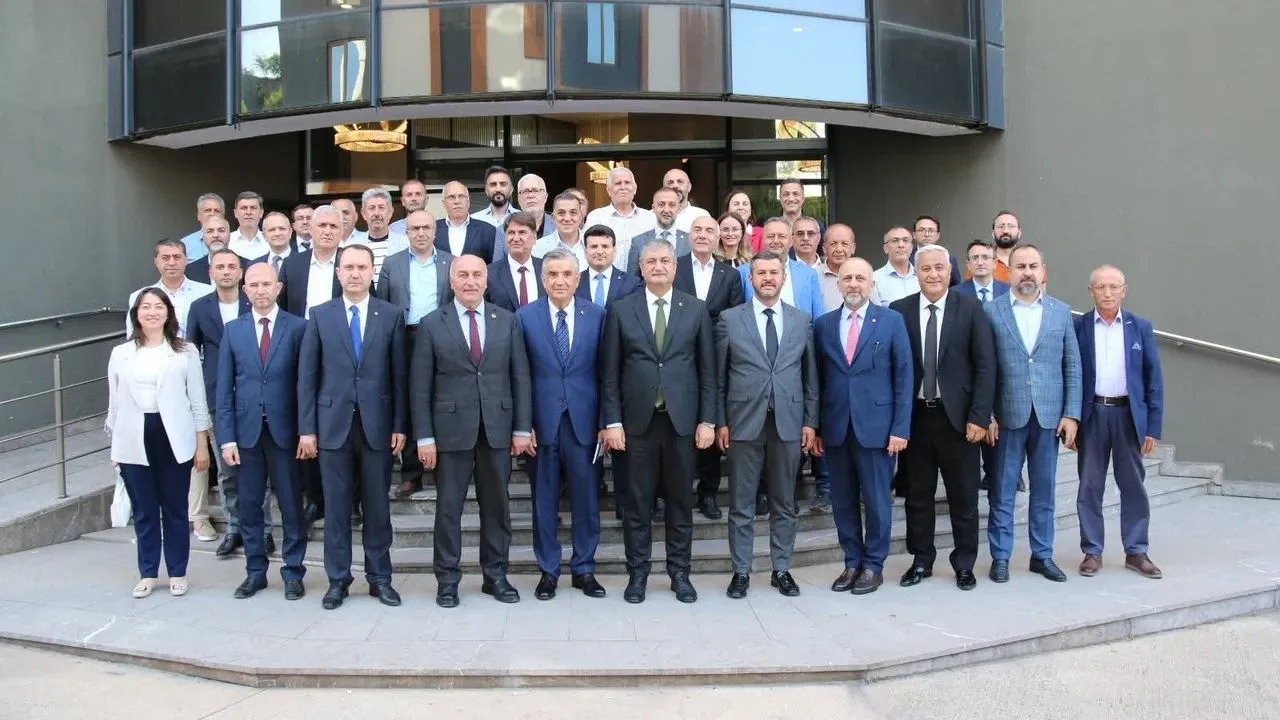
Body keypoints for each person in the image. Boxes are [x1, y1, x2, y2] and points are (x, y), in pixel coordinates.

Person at [412, 255, 533, 608]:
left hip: (496, 429)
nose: (470, 281)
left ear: (486, 280)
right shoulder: (432, 323)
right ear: (451, 281)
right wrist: (424, 437)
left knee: (497, 508)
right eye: (462, 275)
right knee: (448, 510)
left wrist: (522, 428)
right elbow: (419, 386)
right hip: (450, 433)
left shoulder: (506, 320)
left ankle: (495, 576)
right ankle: (447, 581)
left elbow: (520, 378)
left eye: (477, 274)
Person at [600, 241, 717, 605]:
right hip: (637, 425)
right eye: (651, 261)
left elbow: (708, 372)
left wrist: (708, 420)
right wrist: (612, 422)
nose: (658, 266)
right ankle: (638, 575)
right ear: (641, 267)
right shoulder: (621, 309)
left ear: (675, 267)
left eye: (665, 260)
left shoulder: (696, 309)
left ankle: (680, 574)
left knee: (680, 502)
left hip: (682, 424)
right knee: (637, 504)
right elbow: (609, 374)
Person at [298, 244, 408, 610]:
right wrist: (307, 428)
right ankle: (338, 580)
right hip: (332, 427)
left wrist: (399, 424)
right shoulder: (320, 315)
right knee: (337, 508)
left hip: (377, 426)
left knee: (377, 508)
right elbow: (308, 377)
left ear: (371, 273)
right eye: (349, 267)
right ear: (339, 273)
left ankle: (380, 578)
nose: (356, 273)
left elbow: (399, 376)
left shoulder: (390, 315)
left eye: (362, 267)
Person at [890, 245, 995, 591]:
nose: (933, 274)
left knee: (963, 497)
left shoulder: (970, 307)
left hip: (960, 422)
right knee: (917, 497)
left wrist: (980, 417)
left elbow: (985, 364)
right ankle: (921, 560)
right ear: (916, 273)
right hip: (916, 419)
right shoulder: (899, 311)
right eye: (926, 269)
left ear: (950, 272)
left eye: (939, 268)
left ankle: (964, 564)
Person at [716, 252, 818, 599]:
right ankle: (741, 571)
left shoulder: (801, 320)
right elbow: (718, 378)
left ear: (784, 277)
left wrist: (810, 421)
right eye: (761, 273)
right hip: (743, 423)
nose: (768, 278)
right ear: (751, 278)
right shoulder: (730, 319)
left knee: (784, 502)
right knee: (741, 503)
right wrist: (720, 421)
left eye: (774, 272)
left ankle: (781, 569)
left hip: (788, 423)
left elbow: (810, 377)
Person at [814, 258, 912, 596]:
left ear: (871, 284)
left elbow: (904, 377)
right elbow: (818, 380)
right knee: (842, 502)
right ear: (838, 284)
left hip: (878, 430)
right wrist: (816, 427)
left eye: (860, 278)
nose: (854, 284)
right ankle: (852, 562)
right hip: (836, 428)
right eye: (847, 278)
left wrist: (900, 428)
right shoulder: (824, 325)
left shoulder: (891, 321)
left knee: (876, 501)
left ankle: (874, 565)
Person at [985, 243, 1081, 584]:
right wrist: (987, 415)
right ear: (1008, 272)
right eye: (1020, 266)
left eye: (1033, 266)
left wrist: (1071, 414)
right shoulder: (991, 312)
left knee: (1044, 491)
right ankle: (1000, 556)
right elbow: (984, 367)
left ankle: (1042, 555)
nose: (1027, 272)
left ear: (1043, 272)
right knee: (1002, 491)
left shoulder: (1061, 312)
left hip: (1048, 418)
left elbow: (1072, 366)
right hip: (1006, 417)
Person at [106, 288, 211, 599]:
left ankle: (178, 572)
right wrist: (115, 447)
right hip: (132, 437)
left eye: (158, 306)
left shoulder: (185, 352)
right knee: (144, 511)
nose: (152, 312)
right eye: (146, 307)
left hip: (172, 436)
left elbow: (197, 401)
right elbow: (114, 404)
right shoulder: (121, 353)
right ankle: (148, 572)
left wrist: (201, 443)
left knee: (176, 508)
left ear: (168, 313)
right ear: (136, 314)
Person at [516, 248, 607, 601]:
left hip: (584, 423)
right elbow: (519, 375)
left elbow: (606, 373)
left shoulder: (597, 315)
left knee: (587, 500)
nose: (559, 280)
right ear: (542, 279)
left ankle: (584, 569)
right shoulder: (525, 317)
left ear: (577, 279)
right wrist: (523, 425)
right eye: (552, 274)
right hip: (542, 424)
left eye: (567, 274)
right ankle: (548, 571)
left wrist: (604, 422)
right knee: (544, 501)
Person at [215, 262, 310, 600]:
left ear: (278, 288)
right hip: (246, 435)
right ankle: (255, 572)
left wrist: (307, 431)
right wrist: (226, 438)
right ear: (245, 290)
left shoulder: (298, 328)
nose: (260, 290)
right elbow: (224, 390)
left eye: (266, 284)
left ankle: (293, 572)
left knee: (291, 506)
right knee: (250, 505)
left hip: (287, 433)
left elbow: (306, 385)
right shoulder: (233, 330)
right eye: (253, 285)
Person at [1073, 265, 1164, 579]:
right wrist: (1071, 420)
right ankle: (1092, 551)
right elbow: (1069, 375)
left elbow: (1153, 380)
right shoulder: (1079, 327)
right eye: (1101, 287)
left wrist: (1153, 426)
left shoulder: (1141, 327)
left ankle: (1136, 551)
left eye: (1113, 287)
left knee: (1133, 485)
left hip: (1129, 416)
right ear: (1091, 292)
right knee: (1089, 485)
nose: (1107, 293)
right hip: (1092, 415)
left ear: (1124, 291)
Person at [185, 249, 272, 557]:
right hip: (217, 397)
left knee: (259, 467)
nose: (225, 271)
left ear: (241, 273)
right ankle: (235, 528)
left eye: (231, 266)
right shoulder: (199, 307)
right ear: (210, 272)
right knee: (227, 470)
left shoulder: (256, 302)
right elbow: (191, 353)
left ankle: (264, 530)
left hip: (255, 397)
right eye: (219, 266)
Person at [375, 209, 455, 497]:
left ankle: (446, 469)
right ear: (406, 232)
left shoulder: (451, 262)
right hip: (405, 337)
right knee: (410, 400)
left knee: (444, 399)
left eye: (426, 228)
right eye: (414, 228)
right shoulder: (391, 263)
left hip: (443, 337)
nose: (420, 233)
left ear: (435, 231)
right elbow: (382, 305)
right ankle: (412, 472)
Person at [677, 214, 746, 521]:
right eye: (698, 230)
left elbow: (733, 317)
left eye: (709, 230)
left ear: (718, 237)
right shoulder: (674, 266)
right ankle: (672, 494)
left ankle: (708, 493)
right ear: (689, 235)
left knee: (711, 419)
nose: (703, 235)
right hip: (677, 354)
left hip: (716, 357)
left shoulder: (729, 275)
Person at [954, 239, 1011, 490]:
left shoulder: (1009, 292)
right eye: (974, 258)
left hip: (1003, 371)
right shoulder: (956, 294)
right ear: (967, 264)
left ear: (994, 262)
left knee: (999, 438)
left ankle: (997, 475)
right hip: (967, 372)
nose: (980, 262)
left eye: (985, 257)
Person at [737, 218, 824, 321]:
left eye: (781, 236)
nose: (776, 241)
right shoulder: (743, 272)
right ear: (762, 240)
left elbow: (818, 319)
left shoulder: (808, 274)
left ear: (791, 241)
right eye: (770, 236)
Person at [584, 167, 655, 272]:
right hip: (606, 278)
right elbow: (587, 251)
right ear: (609, 190)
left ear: (635, 189)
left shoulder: (649, 218)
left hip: (641, 279)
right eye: (618, 183)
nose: (623, 187)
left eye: (627, 182)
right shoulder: (596, 217)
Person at [485, 212, 544, 312]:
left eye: (522, 232)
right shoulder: (489, 273)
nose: (516, 239)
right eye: (511, 233)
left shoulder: (546, 269)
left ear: (534, 238)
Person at [576, 224, 641, 308]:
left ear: (614, 251)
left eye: (605, 246)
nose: (599, 252)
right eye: (594, 247)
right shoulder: (574, 281)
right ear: (585, 251)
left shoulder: (631, 283)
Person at [627, 187, 691, 272]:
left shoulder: (690, 241)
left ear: (678, 208)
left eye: (672, 205)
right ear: (653, 208)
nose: (666, 210)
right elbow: (632, 277)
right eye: (661, 205)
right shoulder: (638, 242)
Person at [436, 181, 498, 261]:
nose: (457, 201)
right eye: (451, 197)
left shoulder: (488, 231)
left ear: (468, 202)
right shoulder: (432, 229)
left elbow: (493, 264)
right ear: (444, 203)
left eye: (461, 196)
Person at [664, 167, 711, 233]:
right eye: (670, 182)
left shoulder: (702, 215)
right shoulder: (651, 216)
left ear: (689, 187)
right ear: (663, 189)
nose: (675, 185)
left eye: (680, 181)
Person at [723, 190, 764, 254]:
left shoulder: (762, 233)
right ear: (727, 209)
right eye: (736, 204)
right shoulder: (719, 233)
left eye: (745, 204)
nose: (741, 207)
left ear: (751, 210)